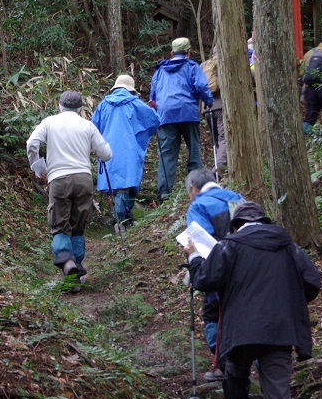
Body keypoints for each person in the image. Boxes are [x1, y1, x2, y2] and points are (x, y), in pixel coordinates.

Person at [182, 202, 322, 399]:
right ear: (263, 221)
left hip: (241, 332)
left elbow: (204, 280)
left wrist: (195, 255)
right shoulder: (287, 245)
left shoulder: (230, 245)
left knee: (235, 373)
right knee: (278, 396)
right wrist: (287, 301)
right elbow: (312, 281)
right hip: (280, 332)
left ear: (236, 225)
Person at [27, 90, 112, 284]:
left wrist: (38, 166)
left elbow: (32, 143)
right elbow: (106, 154)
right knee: (78, 228)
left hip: (59, 180)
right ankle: (76, 276)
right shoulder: (87, 125)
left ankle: (67, 263)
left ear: (59, 106)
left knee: (60, 226)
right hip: (83, 179)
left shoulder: (49, 122)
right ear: (80, 109)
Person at [184, 167, 244, 379]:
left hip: (217, 268)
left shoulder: (198, 205)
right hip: (246, 266)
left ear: (193, 188)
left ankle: (223, 364)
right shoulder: (237, 198)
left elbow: (201, 243)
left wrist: (194, 264)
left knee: (212, 314)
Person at [148, 37, 214, 201]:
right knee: (193, 151)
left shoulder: (160, 71)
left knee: (167, 154)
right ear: (189, 52)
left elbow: (152, 98)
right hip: (188, 112)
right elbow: (201, 86)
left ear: (171, 53)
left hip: (165, 115)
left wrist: (158, 110)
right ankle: (197, 189)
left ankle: (164, 193)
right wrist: (209, 101)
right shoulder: (192, 66)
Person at [91, 75, 160, 229]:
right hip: (129, 150)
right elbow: (154, 120)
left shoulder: (104, 105)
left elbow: (93, 127)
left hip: (107, 149)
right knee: (127, 182)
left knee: (118, 184)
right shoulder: (134, 103)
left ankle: (124, 216)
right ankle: (120, 218)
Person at [200, 48, 227, 177]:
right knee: (224, 138)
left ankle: (217, 165)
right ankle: (219, 169)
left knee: (215, 139)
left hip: (206, 107)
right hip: (221, 106)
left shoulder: (204, 65)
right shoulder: (225, 63)